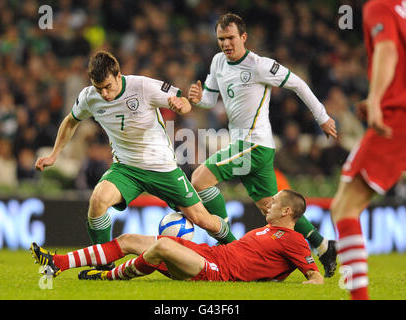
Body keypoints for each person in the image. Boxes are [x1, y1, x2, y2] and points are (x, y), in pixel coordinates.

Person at [34, 51, 234, 268]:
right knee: (98, 201)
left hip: (162, 167)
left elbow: (183, 101)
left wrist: (181, 106)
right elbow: (70, 121)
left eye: (108, 86)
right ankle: (103, 267)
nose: (105, 94)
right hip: (126, 168)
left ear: (119, 76)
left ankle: (236, 249)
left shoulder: (142, 86)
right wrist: (54, 155)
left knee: (203, 219)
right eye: (99, 88)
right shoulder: (89, 97)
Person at [188, 13, 338, 276]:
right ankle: (324, 246)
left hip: (254, 145)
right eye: (221, 39)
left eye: (231, 38)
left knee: (200, 178)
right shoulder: (217, 62)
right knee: (274, 210)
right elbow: (210, 100)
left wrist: (322, 117)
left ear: (243, 37)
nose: (226, 43)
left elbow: (299, 85)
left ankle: (229, 245)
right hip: (246, 147)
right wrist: (199, 99)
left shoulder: (260, 65)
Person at [30, 189, 324, 285]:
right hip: (209, 255)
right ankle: (57, 262)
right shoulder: (266, 230)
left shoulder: (294, 239)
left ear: (287, 211)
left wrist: (306, 284)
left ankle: (108, 277)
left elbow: (315, 276)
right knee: (131, 238)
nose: (268, 204)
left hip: (216, 271)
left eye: (273, 203)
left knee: (162, 246)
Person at [330, 0, 406, 300]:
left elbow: (388, 50)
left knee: (344, 207)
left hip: (397, 118)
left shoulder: (380, 6)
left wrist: (377, 99)